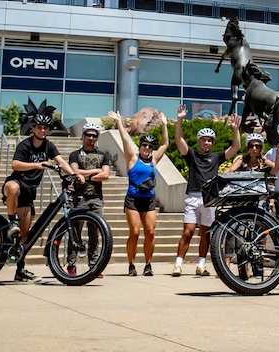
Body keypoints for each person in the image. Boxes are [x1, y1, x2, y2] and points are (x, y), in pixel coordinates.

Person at [1, 106, 73, 282]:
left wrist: (74, 174)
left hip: (29, 193)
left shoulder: (49, 146)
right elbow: (15, 165)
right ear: (32, 128)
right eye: (39, 127)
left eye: (45, 128)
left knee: (25, 236)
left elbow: (61, 161)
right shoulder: (25, 144)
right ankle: (11, 222)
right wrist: (36, 164)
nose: (42, 130)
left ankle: (20, 270)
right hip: (16, 185)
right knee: (13, 188)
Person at [172, 105, 241, 276]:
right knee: (187, 231)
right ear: (199, 141)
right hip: (193, 197)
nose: (207, 142)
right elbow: (179, 140)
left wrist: (235, 130)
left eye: (210, 140)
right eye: (204, 139)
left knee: (205, 233)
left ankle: (201, 265)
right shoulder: (192, 155)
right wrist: (180, 119)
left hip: (210, 199)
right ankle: (178, 264)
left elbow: (235, 148)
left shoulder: (216, 156)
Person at [108, 110, 169, 276]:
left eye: (150, 146)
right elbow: (125, 140)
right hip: (133, 200)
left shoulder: (154, 160)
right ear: (140, 146)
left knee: (150, 232)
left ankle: (148, 264)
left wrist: (164, 125)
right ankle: (131, 264)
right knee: (134, 232)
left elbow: (165, 144)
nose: (147, 148)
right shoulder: (133, 159)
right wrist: (119, 121)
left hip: (148, 200)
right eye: (144, 145)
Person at [68, 121, 113, 277]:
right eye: (88, 135)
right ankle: (71, 265)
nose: (91, 138)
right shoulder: (75, 154)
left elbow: (106, 175)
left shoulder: (103, 155)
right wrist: (96, 172)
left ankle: (93, 265)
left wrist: (85, 174)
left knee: (95, 233)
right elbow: (74, 171)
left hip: (96, 199)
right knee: (75, 233)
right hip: (79, 198)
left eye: (94, 135)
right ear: (83, 136)